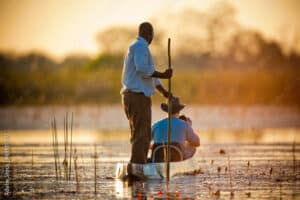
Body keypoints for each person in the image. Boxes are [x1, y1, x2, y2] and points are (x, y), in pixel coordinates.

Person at [121, 22, 173, 165]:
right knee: (141, 135)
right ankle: (138, 166)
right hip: (137, 97)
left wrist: (164, 92)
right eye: (151, 35)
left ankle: (140, 162)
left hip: (135, 96)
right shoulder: (140, 46)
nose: (152, 38)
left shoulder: (139, 47)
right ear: (148, 34)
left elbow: (151, 76)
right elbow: (143, 69)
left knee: (142, 133)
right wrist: (164, 74)